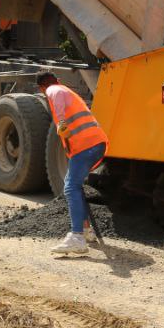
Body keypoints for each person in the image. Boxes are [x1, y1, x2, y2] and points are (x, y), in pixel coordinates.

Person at [37, 72, 108, 256]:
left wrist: (61, 125)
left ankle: (77, 237)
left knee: (70, 188)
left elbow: (59, 106)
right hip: (93, 144)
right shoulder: (66, 89)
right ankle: (85, 229)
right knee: (74, 185)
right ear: (58, 79)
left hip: (86, 145)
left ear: (41, 89)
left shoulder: (54, 90)